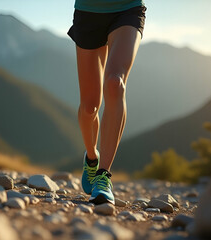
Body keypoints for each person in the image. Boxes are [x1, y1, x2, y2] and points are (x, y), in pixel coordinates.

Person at [67, 0, 146, 205]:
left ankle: (103, 176)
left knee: (115, 83)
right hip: (88, 12)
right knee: (89, 106)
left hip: (128, 8)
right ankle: (92, 157)